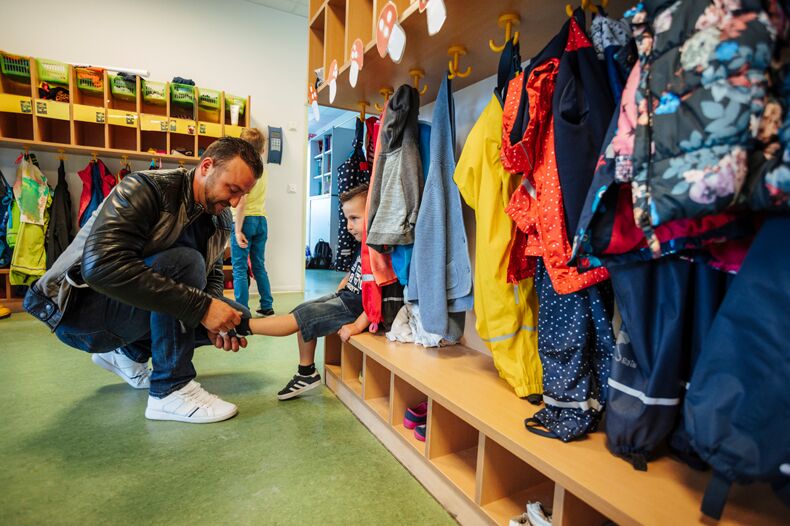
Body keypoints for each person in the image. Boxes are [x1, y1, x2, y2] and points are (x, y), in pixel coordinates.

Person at [24, 137, 263, 424]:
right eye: (232, 189)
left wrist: (210, 308)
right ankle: (170, 390)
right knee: (184, 263)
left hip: (122, 311)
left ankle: (128, 354)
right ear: (206, 166)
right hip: (76, 312)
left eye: (242, 195)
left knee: (236, 318)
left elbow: (211, 272)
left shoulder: (220, 216)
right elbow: (100, 266)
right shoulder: (146, 188)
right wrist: (200, 308)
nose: (235, 202)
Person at [228, 184, 370, 400]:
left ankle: (242, 327)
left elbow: (380, 296)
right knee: (302, 308)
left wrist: (358, 324)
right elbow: (359, 269)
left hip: (355, 308)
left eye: (355, 218)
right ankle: (306, 372)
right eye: (347, 219)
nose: (349, 226)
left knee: (301, 318)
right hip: (347, 297)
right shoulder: (365, 243)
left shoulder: (381, 247)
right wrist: (346, 281)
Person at [231, 128, 274, 316]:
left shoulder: (244, 170)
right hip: (261, 221)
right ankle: (267, 306)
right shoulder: (262, 170)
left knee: (239, 267)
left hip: (245, 220)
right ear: (262, 150)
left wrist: (238, 230)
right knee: (258, 265)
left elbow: (242, 201)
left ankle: (242, 311)